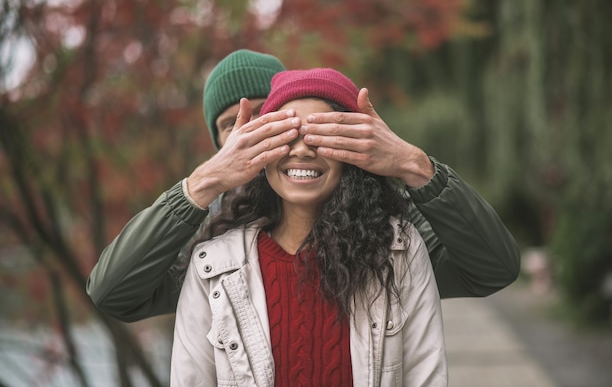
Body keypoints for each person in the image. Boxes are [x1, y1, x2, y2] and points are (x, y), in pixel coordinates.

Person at [86, 49, 519, 322]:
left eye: (271, 116)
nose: (258, 132)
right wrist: (202, 183)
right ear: (218, 141)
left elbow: (492, 268)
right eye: (232, 123)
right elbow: (113, 293)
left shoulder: (380, 229)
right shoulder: (210, 244)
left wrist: (414, 166)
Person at [171, 68, 447, 387]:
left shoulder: (400, 251)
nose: (302, 149)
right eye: (286, 134)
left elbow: (427, 376)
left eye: (321, 134)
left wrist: (413, 163)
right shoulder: (213, 267)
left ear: (354, 151)